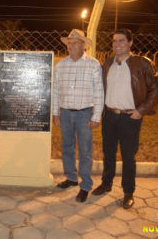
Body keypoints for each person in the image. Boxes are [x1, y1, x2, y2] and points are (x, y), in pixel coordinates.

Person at [92, 29, 158, 209]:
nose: (117, 44)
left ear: (130, 43)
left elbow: (156, 89)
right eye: (114, 41)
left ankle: (128, 192)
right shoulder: (108, 63)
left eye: (122, 41)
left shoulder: (142, 64)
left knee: (128, 156)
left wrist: (142, 110)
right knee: (108, 153)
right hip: (109, 116)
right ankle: (106, 183)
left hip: (130, 117)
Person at [53, 29, 104, 203]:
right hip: (66, 113)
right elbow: (55, 91)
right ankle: (72, 178)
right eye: (69, 43)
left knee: (85, 151)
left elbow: (99, 92)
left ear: (83, 45)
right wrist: (55, 113)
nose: (72, 45)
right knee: (67, 147)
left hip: (84, 113)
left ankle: (85, 185)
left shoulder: (93, 64)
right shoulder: (60, 65)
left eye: (76, 42)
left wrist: (96, 116)